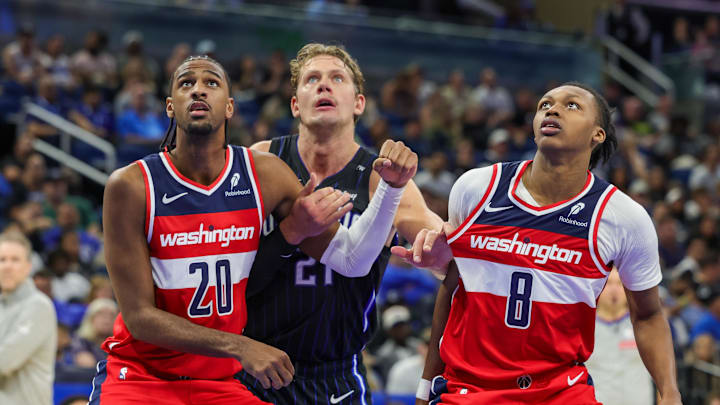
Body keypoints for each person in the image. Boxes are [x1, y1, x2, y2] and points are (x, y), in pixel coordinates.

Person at [91, 54, 418, 405]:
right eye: (186, 83)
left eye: (211, 83)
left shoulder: (264, 174)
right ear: (170, 107)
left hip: (218, 380)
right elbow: (139, 318)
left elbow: (352, 260)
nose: (198, 90)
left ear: (230, 107)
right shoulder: (131, 185)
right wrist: (239, 346)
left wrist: (390, 188)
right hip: (142, 376)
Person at [394, 83, 682, 404]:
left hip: (561, 392)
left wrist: (669, 393)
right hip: (470, 390)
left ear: (597, 134)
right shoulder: (476, 188)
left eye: (572, 106)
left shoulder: (623, 217)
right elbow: (452, 288)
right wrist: (425, 387)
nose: (553, 109)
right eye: (545, 104)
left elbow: (648, 315)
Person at [236, 43, 443, 405]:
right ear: (295, 104)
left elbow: (435, 237)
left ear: (358, 103)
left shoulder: (384, 178)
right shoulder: (262, 158)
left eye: (337, 78)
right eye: (311, 79)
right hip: (255, 364)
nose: (324, 85)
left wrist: (438, 251)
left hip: (334, 373)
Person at [0, 231, 57, 405]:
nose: (7, 266)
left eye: (15, 259)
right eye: (2, 259)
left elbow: (5, 361)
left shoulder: (39, 306)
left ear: (28, 266)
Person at [586, 270, 653, 405]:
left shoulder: (644, 324)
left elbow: (660, 374)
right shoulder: (584, 326)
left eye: (619, 284)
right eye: (609, 283)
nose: (614, 289)